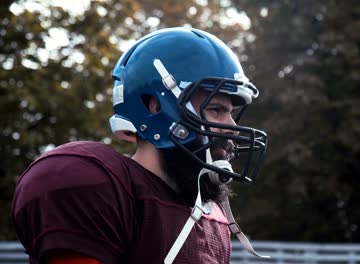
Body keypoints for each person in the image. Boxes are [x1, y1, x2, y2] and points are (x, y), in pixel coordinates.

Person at [11, 27, 269, 264]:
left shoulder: (213, 218)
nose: (231, 128)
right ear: (155, 107)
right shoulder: (98, 186)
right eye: (215, 109)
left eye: (232, 112)